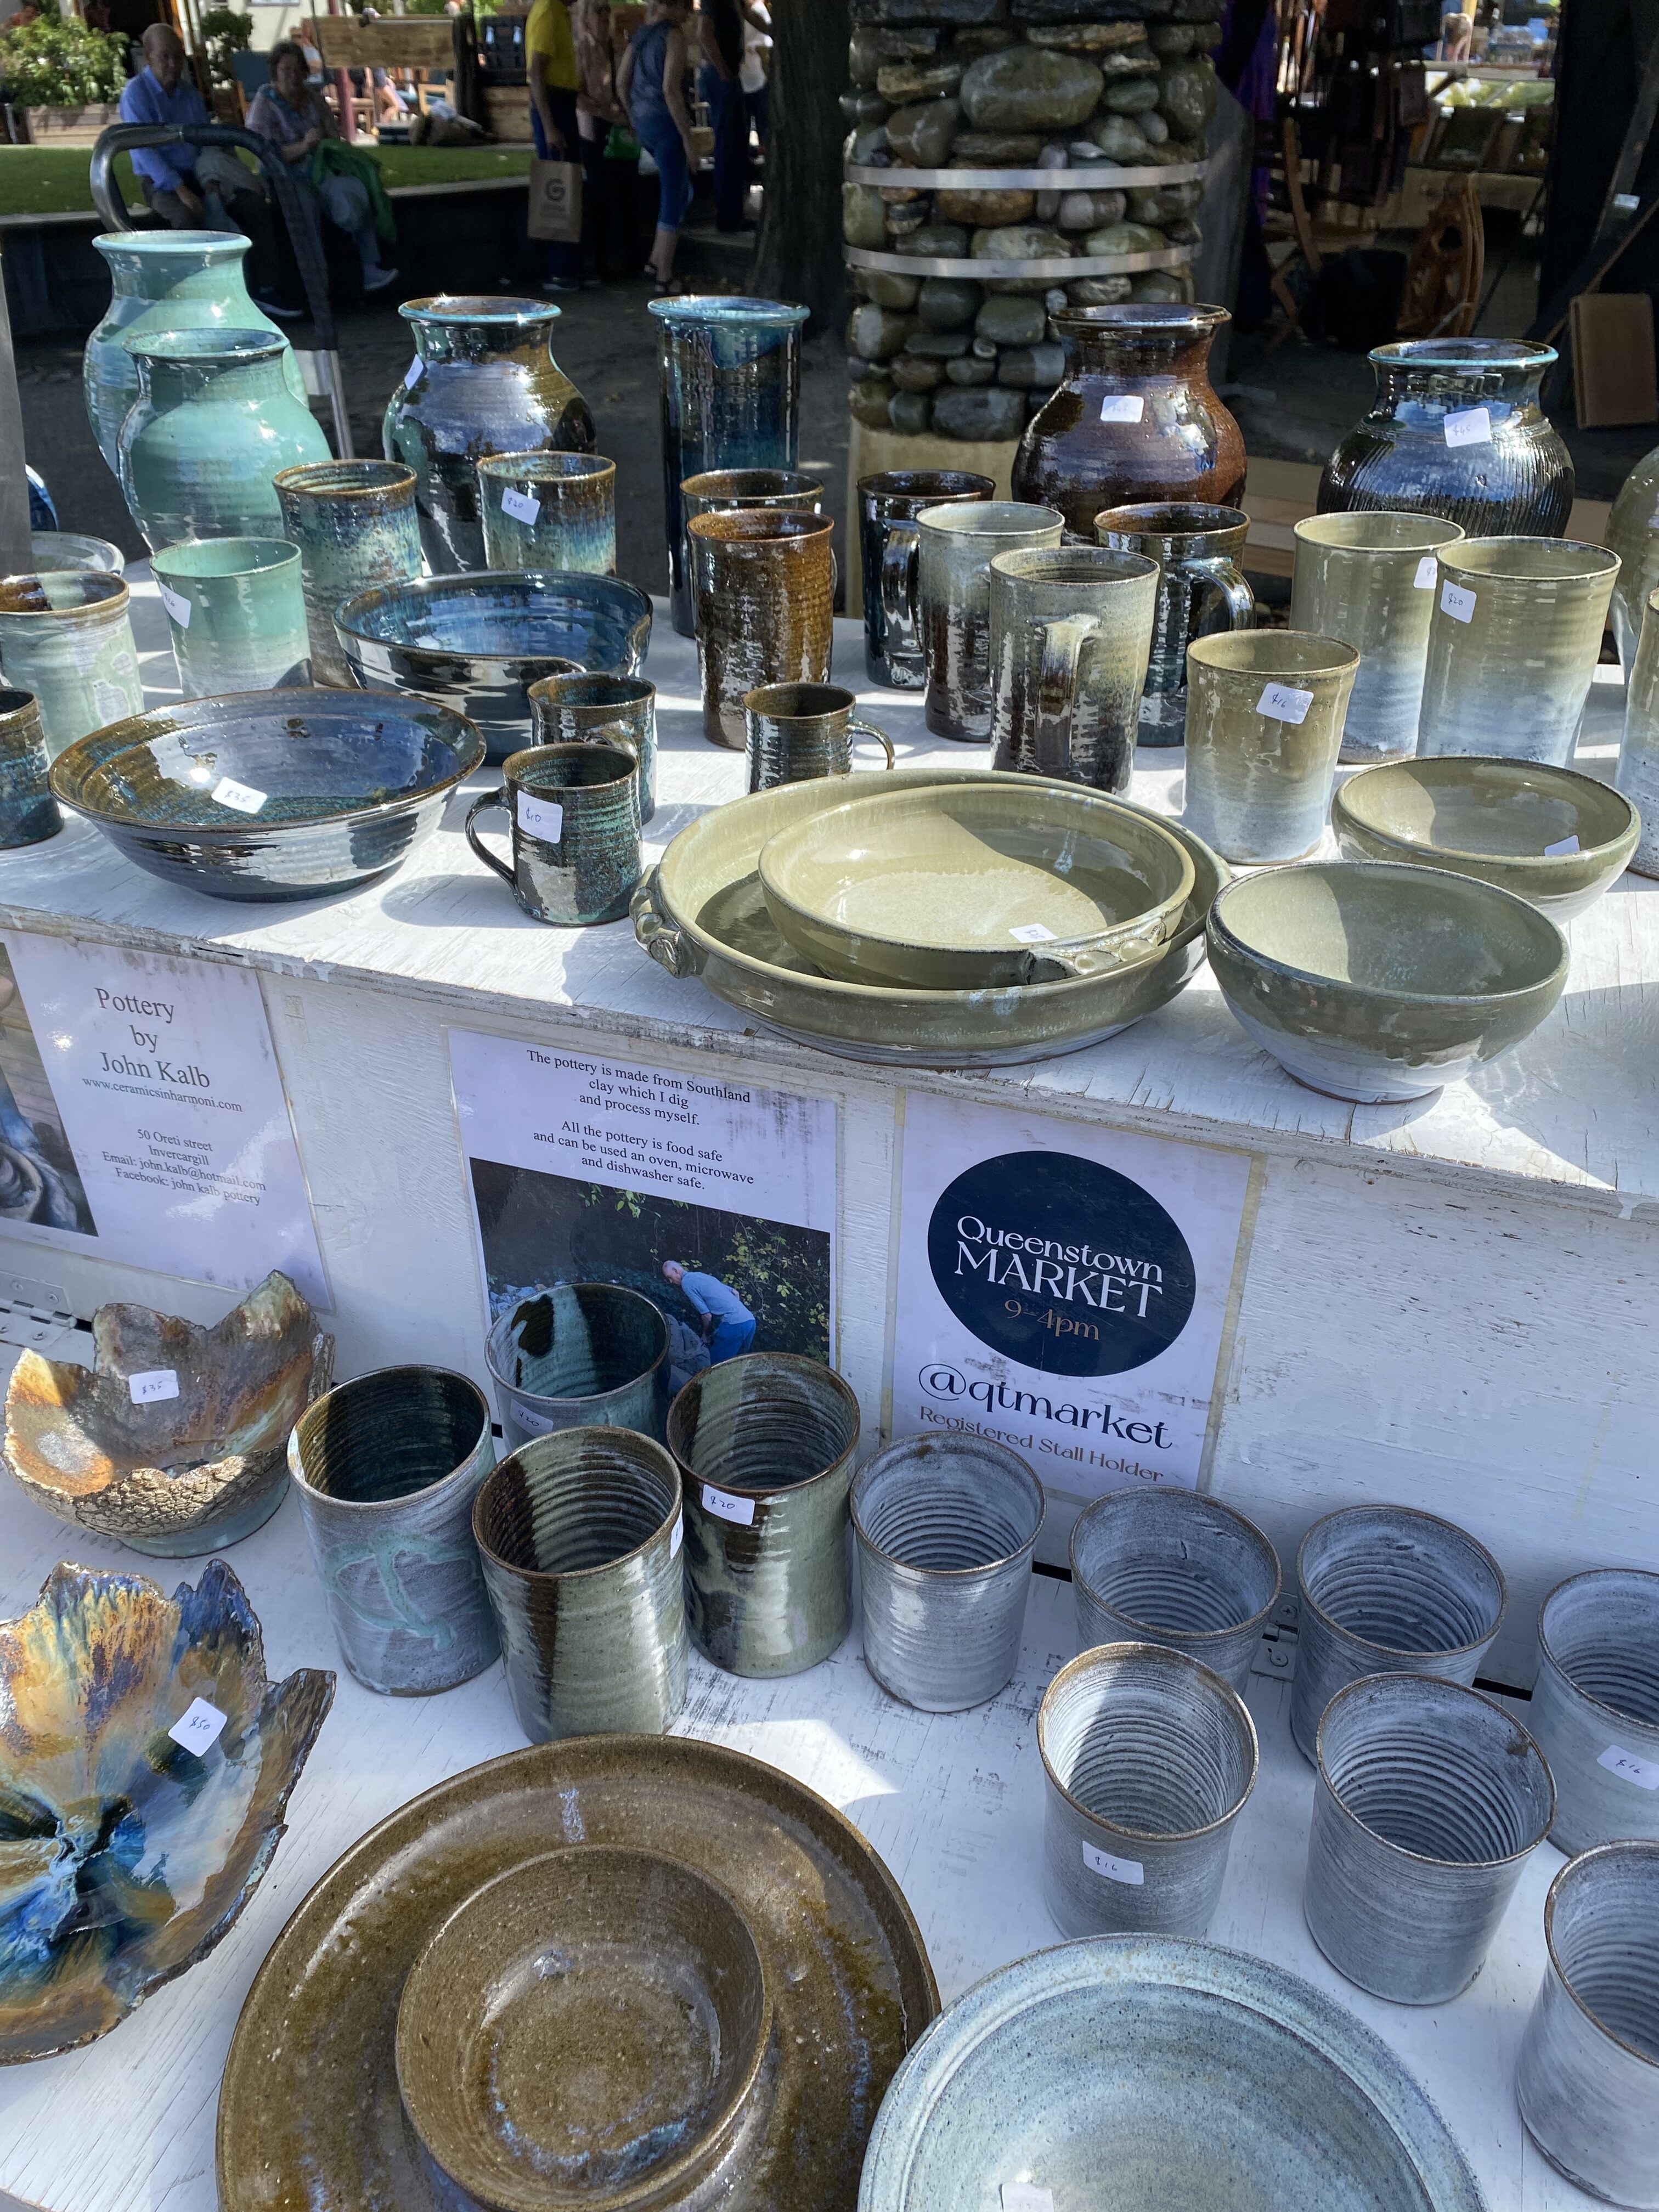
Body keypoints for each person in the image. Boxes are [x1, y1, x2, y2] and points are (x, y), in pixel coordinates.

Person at [119, 24, 281, 303]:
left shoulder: (189, 93)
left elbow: (207, 140)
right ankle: (196, 298)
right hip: (161, 183)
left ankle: (268, 290)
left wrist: (211, 181)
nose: (173, 64)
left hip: (199, 172)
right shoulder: (136, 94)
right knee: (186, 220)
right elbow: (145, 153)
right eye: (165, 57)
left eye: (177, 56)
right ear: (148, 57)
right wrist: (182, 190)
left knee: (253, 206)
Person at [247, 41, 399, 297]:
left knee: (355, 186)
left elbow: (333, 137)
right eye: (286, 70)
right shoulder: (264, 103)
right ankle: (317, 281)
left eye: (297, 70)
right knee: (305, 204)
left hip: (320, 171)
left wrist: (325, 142)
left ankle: (369, 267)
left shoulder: (314, 99)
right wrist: (303, 146)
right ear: (275, 72)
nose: (293, 76)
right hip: (283, 178)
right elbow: (264, 153)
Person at [618, 0, 696, 294]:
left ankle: (654, 260)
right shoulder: (673, 36)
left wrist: (633, 116)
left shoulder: (640, 36)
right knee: (673, 197)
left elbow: (621, 82)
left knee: (679, 190)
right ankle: (664, 276)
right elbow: (670, 89)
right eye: (686, 8)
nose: (689, 15)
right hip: (666, 122)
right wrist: (688, 138)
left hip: (644, 121)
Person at [572, 0, 633, 283]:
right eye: (598, 11)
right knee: (599, 194)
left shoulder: (618, 45)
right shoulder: (581, 49)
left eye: (607, 10)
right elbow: (576, 93)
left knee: (625, 190)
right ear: (586, 18)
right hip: (594, 127)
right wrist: (602, 109)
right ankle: (597, 262)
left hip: (620, 127)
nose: (604, 16)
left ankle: (626, 256)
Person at [525, 0, 582, 293]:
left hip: (563, 101)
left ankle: (568, 265)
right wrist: (549, 125)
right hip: (553, 103)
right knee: (556, 186)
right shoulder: (548, 11)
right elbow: (537, 71)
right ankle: (557, 269)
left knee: (567, 183)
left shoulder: (560, 12)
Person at [695, 0, 747, 233]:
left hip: (730, 74)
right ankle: (727, 217)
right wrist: (723, 70)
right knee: (727, 147)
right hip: (720, 76)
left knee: (737, 146)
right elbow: (704, 34)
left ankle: (735, 212)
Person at [661, 1260, 756, 1364]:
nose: (671, 1281)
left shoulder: (686, 1283)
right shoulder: (701, 1276)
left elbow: (707, 1315)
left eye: (670, 1277)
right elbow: (735, 1293)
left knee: (715, 1366)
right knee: (739, 1363)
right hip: (750, 1320)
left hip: (735, 1324)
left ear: (677, 1271)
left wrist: (706, 1335)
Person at [739, 0, 769, 154]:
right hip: (742, 76)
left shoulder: (758, 10)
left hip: (756, 74)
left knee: (761, 118)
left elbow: (767, 40)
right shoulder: (741, 11)